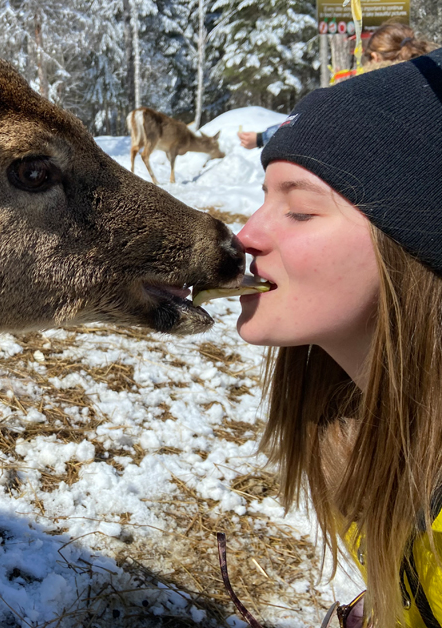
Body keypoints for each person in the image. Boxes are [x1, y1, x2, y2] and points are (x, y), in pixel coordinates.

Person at [234, 48, 442, 626]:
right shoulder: (350, 436)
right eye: (263, 198)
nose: (245, 235)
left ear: (416, 244)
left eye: (300, 210)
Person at [237, 23, 439, 153]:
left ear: (374, 58)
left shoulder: (366, 92)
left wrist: (261, 137)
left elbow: (310, 125)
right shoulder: (434, 78)